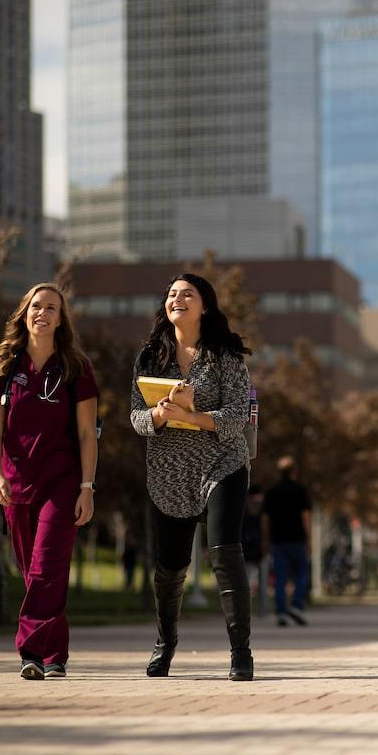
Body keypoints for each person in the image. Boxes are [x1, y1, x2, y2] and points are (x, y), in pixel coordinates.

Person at [130, 273, 254, 681]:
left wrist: (192, 417)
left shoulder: (225, 355)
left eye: (187, 294)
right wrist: (160, 416)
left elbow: (238, 415)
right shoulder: (150, 356)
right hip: (168, 470)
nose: (177, 299)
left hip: (223, 463)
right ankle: (164, 645)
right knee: (170, 565)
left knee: (224, 552)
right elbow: (135, 417)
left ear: (205, 306)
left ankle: (240, 653)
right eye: (171, 294)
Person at [0, 282, 98, 680]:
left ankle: (30, 651)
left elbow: (87, 434)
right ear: (24, 311)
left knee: (47, 565)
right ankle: (55, 656)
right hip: (15, 484)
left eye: (52, 308)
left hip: (61, 482)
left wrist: (87, 487)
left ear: (61, 319)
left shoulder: (76, 368)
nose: (43, 313)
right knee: (35, 572)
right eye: (36, 305)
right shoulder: (4, 364)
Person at [263, 456, 312, 626]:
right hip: (297, 538)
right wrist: (309, 539)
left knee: (280, 577)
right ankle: (297, 605)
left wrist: (266, 539)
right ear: (294, 472)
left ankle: (281, 612)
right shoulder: (300, 490)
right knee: (301, 574)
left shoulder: (272, 491)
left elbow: (265, 519)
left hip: (277, 539)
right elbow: (305, 517)